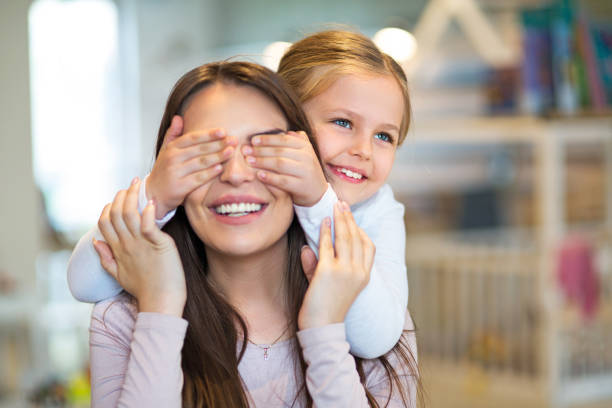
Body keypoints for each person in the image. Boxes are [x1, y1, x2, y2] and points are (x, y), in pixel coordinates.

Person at [89, 61, 418, 407]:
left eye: (264, 149)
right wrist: (161, 306)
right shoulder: (123, 319)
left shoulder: (376, 314)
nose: (235, 174)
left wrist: (324, 331)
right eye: (207, 155)